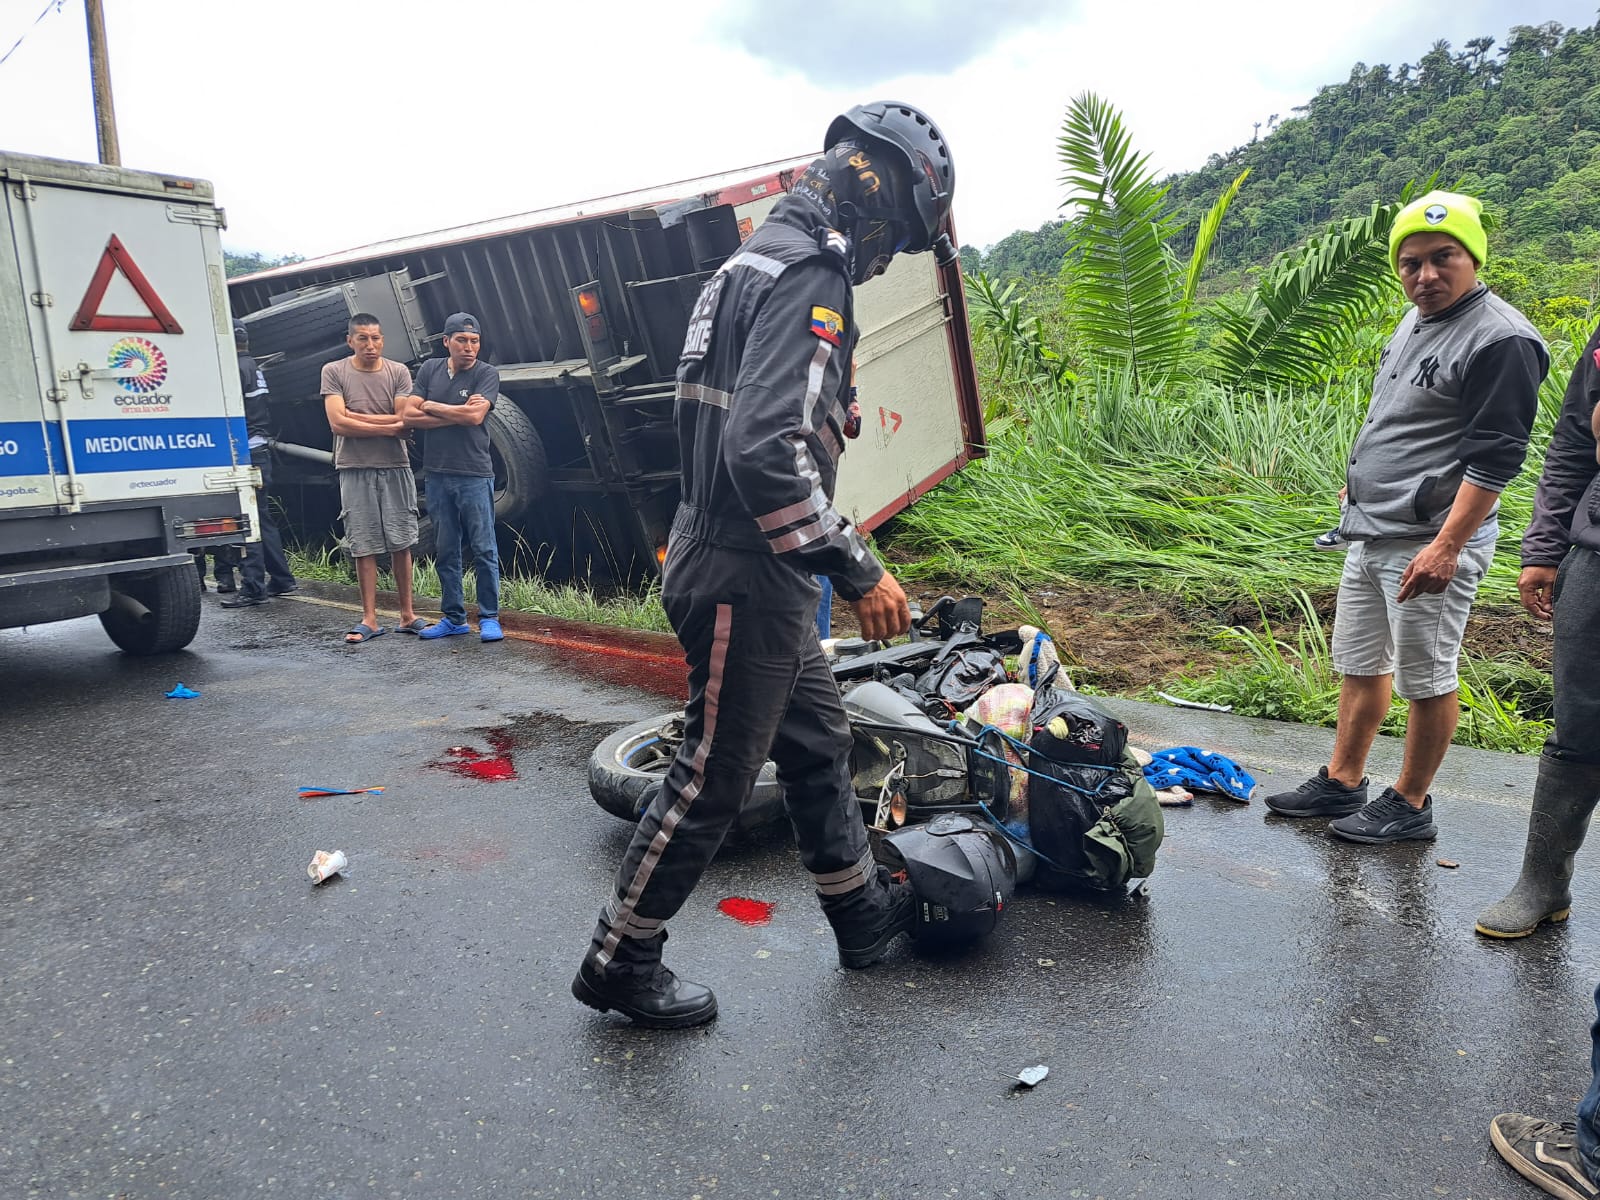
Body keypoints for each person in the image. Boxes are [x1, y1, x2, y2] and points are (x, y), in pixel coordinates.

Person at [572, 100, 957, 1029]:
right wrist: (858, 568)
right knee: (712, 777)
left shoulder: (748, 262)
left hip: (741, 562)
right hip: (748, 570)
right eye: (898, 235)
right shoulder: (810, 277)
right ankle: (621, 959)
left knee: (819, 743)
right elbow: (763, 451)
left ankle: (861, 915)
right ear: (875, 192)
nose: (884, 256)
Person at [1264, 190, 1548, 843]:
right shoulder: (1413, 319)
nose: (1425, 275)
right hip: (1373, 528)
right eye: (1411, 261)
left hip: (1432, 540)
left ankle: (1411, 803)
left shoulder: (1501, 340)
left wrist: (1448, 546)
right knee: (1361, 662)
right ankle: (1343, 780)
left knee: (1427, 673)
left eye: (1443, 258)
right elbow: (1396, 420)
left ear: (1472, 256)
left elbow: (1495, 460)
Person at [1475, 324, 1600, 937]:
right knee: (1579, 724)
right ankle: (1543, 881)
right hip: (1596, 555)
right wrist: (1544, 549)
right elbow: (1576, 437)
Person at [401, 313, 503, 642]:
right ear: (446, 342)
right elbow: (406, 414)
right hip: (437, 474)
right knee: (446, 549)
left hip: (474, 473)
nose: (469, 347)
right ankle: (454, 617)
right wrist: (455, 414)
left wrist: (432, 405)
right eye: (462, 340)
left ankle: (489, 617)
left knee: (484, 548)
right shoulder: (430, 369)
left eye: (475, 341)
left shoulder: (486, 374)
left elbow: (475, 416)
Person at [321, 313, 421, 644]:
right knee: (363, 543)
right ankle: (370, 618)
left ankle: (408, 615)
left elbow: (406, 419)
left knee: (401, 541)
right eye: (363, 338)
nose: (370, 344)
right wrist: (390, 426)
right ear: (350, 340)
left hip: (395, 465)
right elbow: (338, 424)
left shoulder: (398, 372)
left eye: (376, 338)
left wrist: (358, 416)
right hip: (354, 466)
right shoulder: (334, 371)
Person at [221, 322, 298, 609]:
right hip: (260, 448)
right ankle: (281, 578)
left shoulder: (233, 370)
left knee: (247, 518)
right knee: (261, 517)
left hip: (245, 452)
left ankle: (253, 585)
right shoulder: (252, 366)